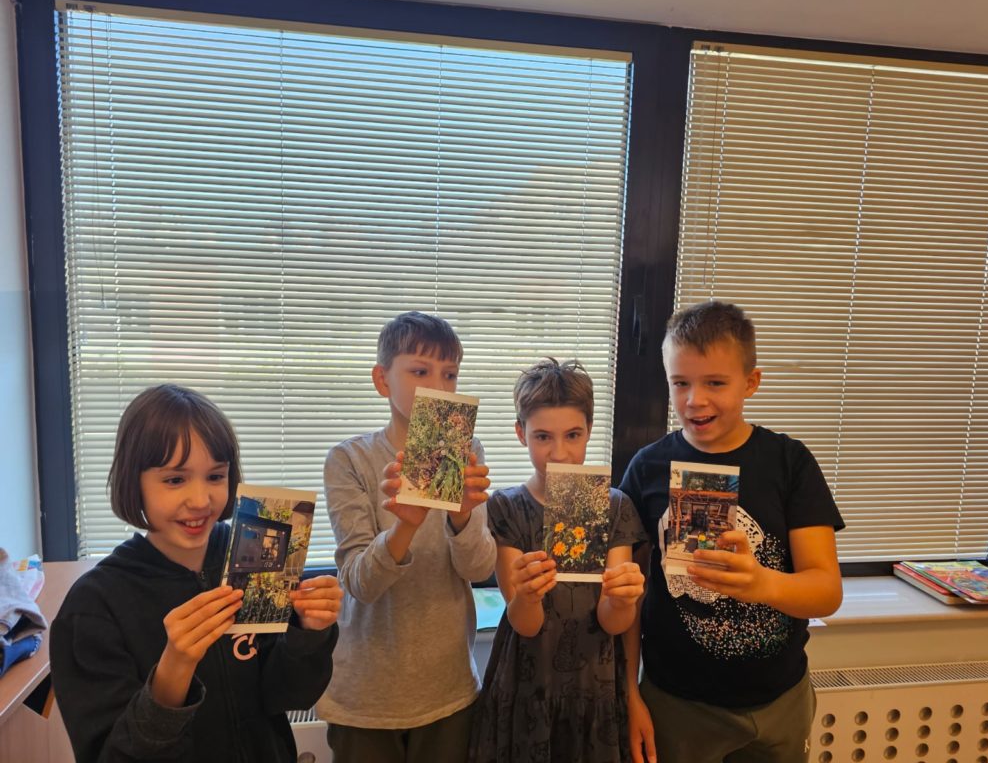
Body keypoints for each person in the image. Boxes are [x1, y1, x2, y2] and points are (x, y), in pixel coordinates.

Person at [51, 384, 342, 763]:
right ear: (133, 482)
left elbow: (289, 694)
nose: (201, 500)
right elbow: (110, 755)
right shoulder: (94, 605)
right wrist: (174, 668)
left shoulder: (257, 553)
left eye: (216, 476)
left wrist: (309, 632)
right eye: (175, 479)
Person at [620, 301, 844, 763]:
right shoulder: (646, 468)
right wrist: (628, 691)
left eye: (715, 383)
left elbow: (826, 591)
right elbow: (629, 595)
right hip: (675, 703)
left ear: (751, 382)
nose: (694, 400)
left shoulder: (789, 463)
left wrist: (761, 583)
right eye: (680, 383)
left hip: (779, 701)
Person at [317, 311, 496, 763]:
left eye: (449, 374)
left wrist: (461, 517)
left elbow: (478, 568)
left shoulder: (467, 452)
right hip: (366, 696)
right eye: (420, 371)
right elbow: (360, 583)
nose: (439, 387)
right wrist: (406, 525)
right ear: (383, 380)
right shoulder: (349, 460)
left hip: (448, 688)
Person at [469, 358, 646, 763]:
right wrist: (527, 595)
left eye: (573, 435)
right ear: (521, 434)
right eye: (543, 437)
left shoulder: (615, 506)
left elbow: (613, 622)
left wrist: (622, 598)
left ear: (589, 431)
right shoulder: (506, 508)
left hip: (596, 683)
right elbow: (525, 623)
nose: (560, 453)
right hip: (528, 685)